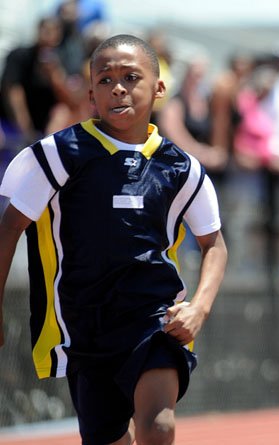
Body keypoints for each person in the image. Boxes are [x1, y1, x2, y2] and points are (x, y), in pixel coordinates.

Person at [0, 34, 228, 445]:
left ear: (159, 88)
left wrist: (200, 308)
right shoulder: (58, 156)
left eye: (131, 77)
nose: (117, 87)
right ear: (90, 93)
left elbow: (214, 244)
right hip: (85, 327)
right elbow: (9, 229)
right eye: (105, 80)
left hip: (155, 318)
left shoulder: (182, 168)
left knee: (157, 425)